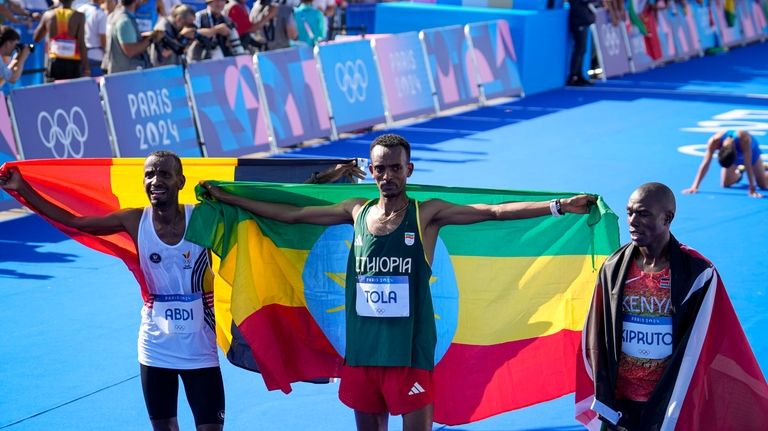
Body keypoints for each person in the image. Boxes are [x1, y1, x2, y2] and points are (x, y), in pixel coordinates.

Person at [201, 133, 595, 431]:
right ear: (371, 172)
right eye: (380, 168)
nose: (387, 175)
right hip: (363, 357)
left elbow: (492, 211)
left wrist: (558, 206)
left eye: (394, 167)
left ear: (409, 170)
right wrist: (232, 199)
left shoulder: (426, 215)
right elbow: (290, 215)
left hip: (408, 359)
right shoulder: (355, 210)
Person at [0, 151, 225, 431]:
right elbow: (76, 223)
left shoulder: (202, 217)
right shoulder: (133, 220)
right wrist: (23, 189)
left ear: (180, 181)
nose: (155, 180)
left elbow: (248, 233)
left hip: (200, 345)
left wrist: (230, 195)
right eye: (149, 174)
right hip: (156, 346)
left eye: (164, 174)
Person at [575, 182, 768, 430]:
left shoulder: (698, 274)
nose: (633, 221)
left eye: (643, 213)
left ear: (668, 218)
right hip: (620, 403)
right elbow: (597, 332)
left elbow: (716, 337)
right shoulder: (612, 268)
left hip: (671, 402)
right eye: (630, 212)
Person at [683, 129, 767, 198]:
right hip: (732, 157)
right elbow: (705, 163)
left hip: (752, 153)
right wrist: (695, 186)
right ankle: (739, 171)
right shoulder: (714, 141)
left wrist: (752, 189)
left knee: (763, 185)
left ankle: (763, 170)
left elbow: (748, 164)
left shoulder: (743, 138)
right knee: (725, 183)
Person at [33, 0, 90, 81]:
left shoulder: (48, 15)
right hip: (73, 62)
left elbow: (36, 38)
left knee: (53, 91)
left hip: (54, 61)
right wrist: (86, 68)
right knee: (71, 91)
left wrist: (44, 21)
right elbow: (81, 43)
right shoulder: (79, 16)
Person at [102, 0, 162, 74]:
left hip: (118, 72)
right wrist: (152, 38)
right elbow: (130, 51)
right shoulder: (124, 21)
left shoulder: (114, 15)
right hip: (126, 75)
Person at [566, 0, 596, 86]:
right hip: (578, 21)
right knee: (579, 49)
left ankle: (579, 75)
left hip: (583, 20)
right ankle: (573, 76)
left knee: (582, 49)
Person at [77, 0, 107, 77]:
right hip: (95, 57)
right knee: (96, 87)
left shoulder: (80, 9)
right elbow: (103, 39)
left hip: (80, 55)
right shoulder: (100, 14)